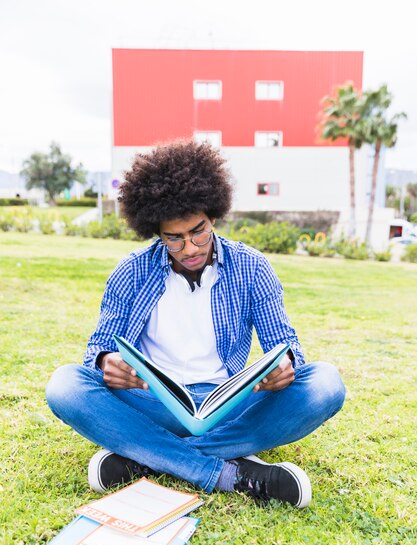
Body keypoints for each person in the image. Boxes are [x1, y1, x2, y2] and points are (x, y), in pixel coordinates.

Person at [46, 140, 345, 508]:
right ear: (156, 231)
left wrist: (285, 367)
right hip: (153, 402)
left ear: (213, 215)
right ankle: (228, 473)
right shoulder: (131, 271)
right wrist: (106, 362)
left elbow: (284, 342)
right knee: (65, 385)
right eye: (174, 238)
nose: (189, 247)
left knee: (326, 383)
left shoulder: (252, 267)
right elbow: (99, 347)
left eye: (198, 231)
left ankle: (146, 457)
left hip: (229, 407)